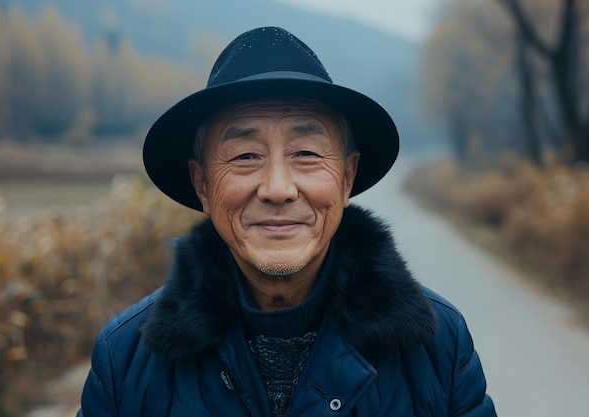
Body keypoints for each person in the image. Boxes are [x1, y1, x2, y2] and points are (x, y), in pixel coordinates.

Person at [77, 26, 496, 417]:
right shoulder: (125, 360)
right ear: (201, 184)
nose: (278, 188)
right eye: (245, 156)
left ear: (347, 177)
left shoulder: (437, 346)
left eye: (306, 154)